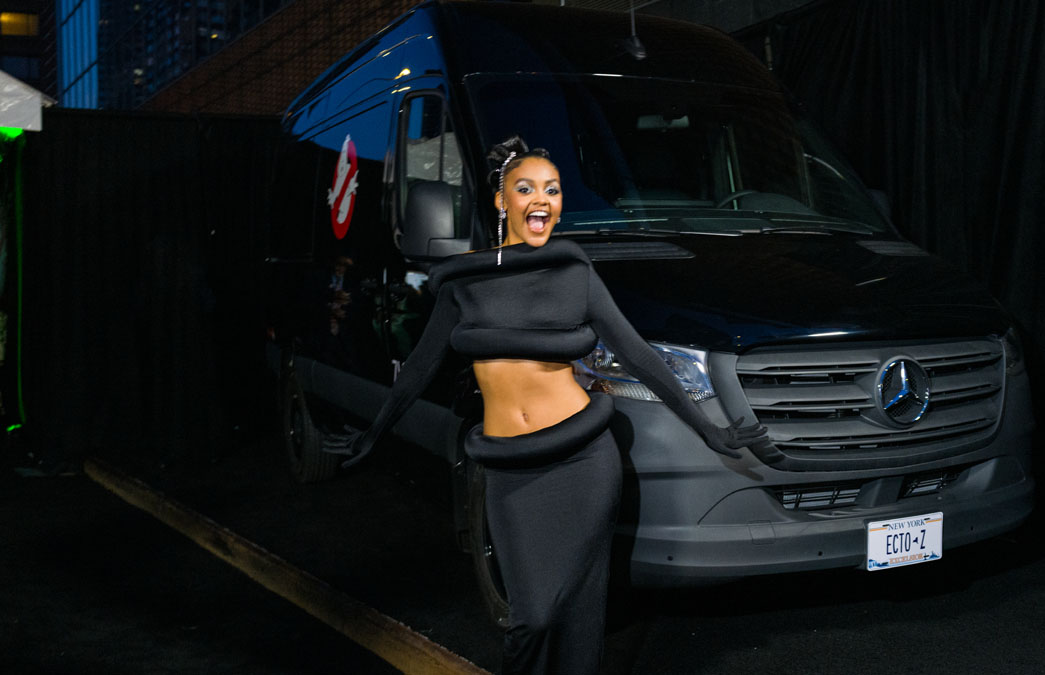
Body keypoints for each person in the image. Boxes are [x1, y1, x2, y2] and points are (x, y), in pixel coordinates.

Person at [325, 135, 768, 674]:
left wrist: (709, 430)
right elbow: (419, 367)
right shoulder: (465, 282)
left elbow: (637, 355)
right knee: (532, 617)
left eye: (553, 190)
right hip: (510, 473)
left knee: (575, 611)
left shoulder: (575, 274)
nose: (542, 199)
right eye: (527, 187)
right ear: (500, 200)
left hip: (582, 461)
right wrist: (372, 434)